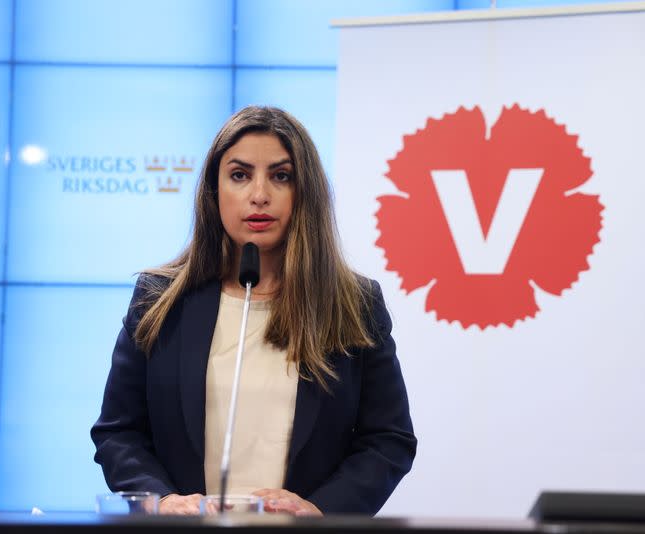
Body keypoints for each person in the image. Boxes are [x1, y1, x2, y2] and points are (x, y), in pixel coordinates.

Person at [91, 106, 416, 516]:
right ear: (215, 190)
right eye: (240, 175)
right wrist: (164, 502)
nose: (258, 194)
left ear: (306, 192)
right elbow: (119, 433)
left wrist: (321, 511)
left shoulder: (354, 304)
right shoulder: (157, 300)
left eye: (281, 176)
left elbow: (389, 439)